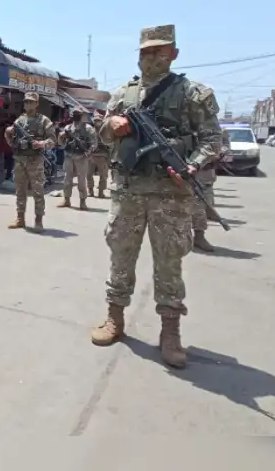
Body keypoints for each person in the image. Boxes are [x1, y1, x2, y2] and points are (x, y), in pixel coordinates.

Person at [89, 24, 221, 369]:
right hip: (128, 191)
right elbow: (102, 138)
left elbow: (212, 141)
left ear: (174, 54)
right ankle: (114, 317)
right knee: (120, 256)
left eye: (159, 51)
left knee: (169, 264)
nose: (151, 58)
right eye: (146, 52)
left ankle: (170, 331)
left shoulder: (193, 94)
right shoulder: (121, 95)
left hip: (170, 193)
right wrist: (112, 126)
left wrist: (191, 167)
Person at [4, 91, 56, 232]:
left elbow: (53, 141)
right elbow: (10, 137)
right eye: (26, 102)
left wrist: (41, 143)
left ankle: (38, 220)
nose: (28, 104)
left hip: (35, 160)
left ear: (37, 104)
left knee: (37, 191)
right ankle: (20, 219)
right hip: (20, 159)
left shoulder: (44, 121)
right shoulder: (19, 121)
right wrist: (9, 137)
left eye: (31, 102)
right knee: (20, 190)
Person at [191, 126, 228, 252]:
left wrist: (220, 152)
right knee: (197, 209)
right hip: (193, 174)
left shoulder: (218, 130)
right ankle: (196, 238)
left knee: (207, 207)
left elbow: (225, 145)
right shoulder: (188, 128)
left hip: (208, 176)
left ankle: (198, 237)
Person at [57, 107, 97, 210]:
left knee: (81, 180)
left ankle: (82, 201)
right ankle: (66, 200)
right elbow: (61, 144)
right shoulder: (68, 127)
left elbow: (94, 143)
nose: (76, 115)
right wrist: (61, 137)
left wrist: (89, 151)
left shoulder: (88, 128)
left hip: (82, 157)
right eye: (74, 113)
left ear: (82, 115)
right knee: (67, 179)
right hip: (69, 155)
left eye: (78, 113)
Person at [86, 112, 110, 198]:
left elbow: (110, 143)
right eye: (96, 120)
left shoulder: (105, 131)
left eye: (99, 120)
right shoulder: (90, 130)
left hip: (102, 156)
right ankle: (90, 191)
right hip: (91, 156)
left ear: (102, 121)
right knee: (88, 174)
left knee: (103, 175)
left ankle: (101, 192)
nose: (97, 122)